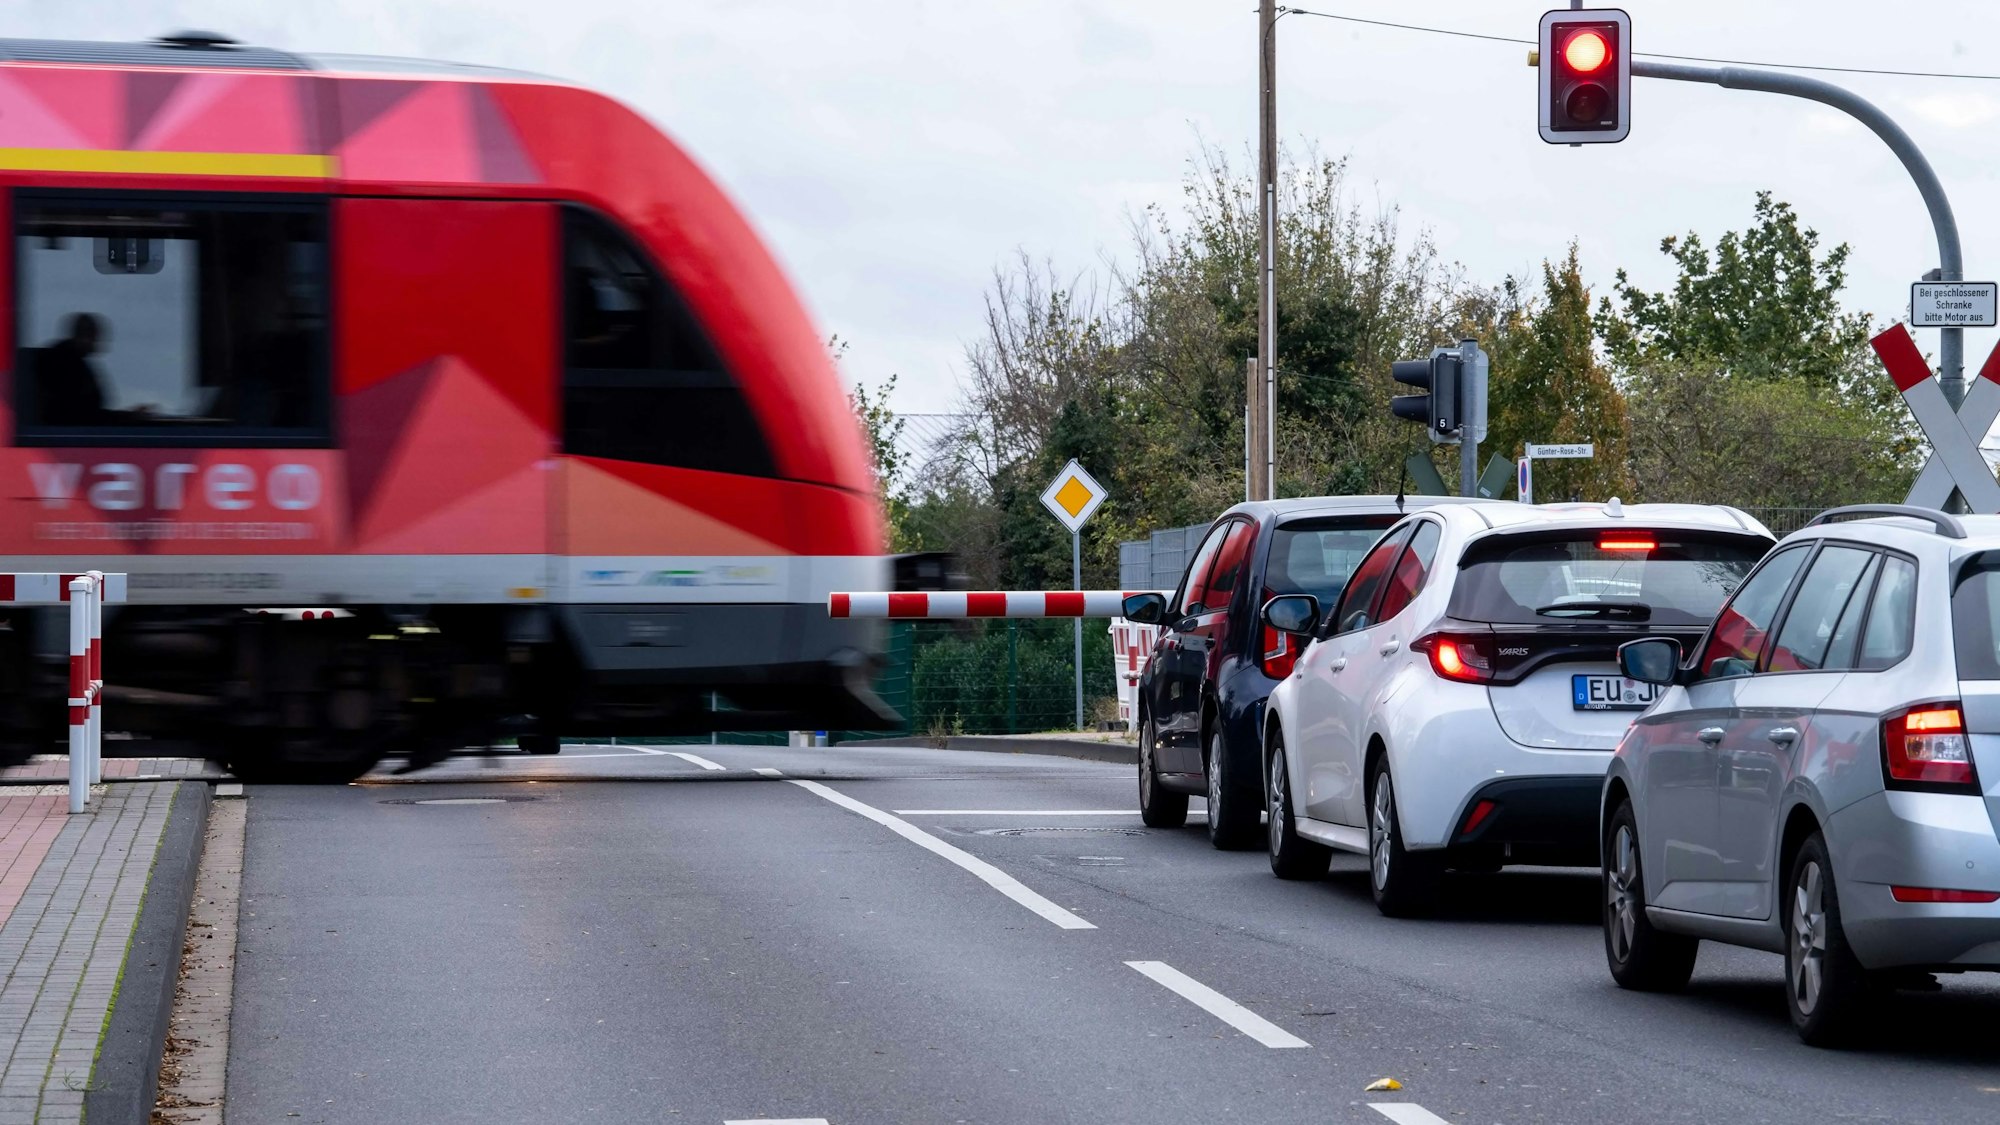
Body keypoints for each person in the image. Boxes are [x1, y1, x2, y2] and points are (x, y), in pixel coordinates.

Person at [37, 313, 113, 426]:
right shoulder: (65, 364)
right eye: (94, 338)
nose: (96, 344)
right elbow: (84, 413)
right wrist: (127, 418)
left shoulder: (73, 362)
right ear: (84, 336)